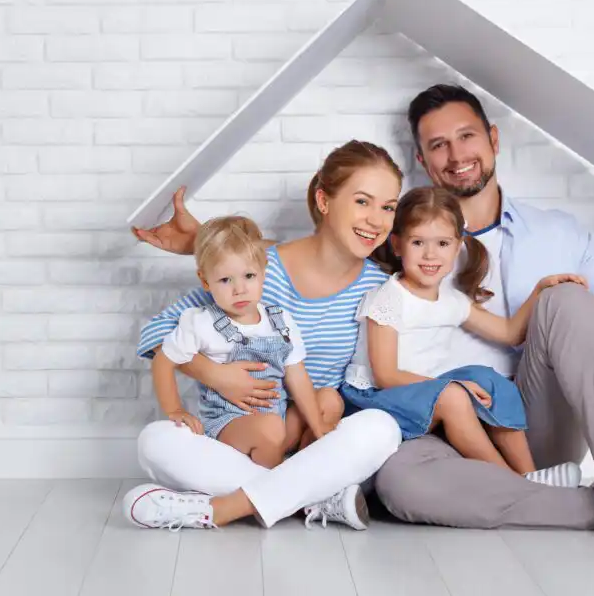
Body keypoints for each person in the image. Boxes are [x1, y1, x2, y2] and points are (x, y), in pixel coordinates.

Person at [372, 84, 594, 554]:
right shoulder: (409, 244)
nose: (456, 155)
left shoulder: (556, 232)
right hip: (443, 430)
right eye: (438, 145)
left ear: (493, 139)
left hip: (531, 425)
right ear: (423, 160)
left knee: (564, 297)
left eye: (467, 136)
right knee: (398, 483)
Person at [123, 140, 405, 532]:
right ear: (324, 201)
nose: (376, 220)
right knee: (155, 441)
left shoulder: (380, 289)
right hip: (245, 433)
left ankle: (221, 508)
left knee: (381, 428)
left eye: (388, 207)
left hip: (312, 438)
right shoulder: (259, 268)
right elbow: (157, 334)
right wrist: (216, 375)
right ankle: (310, 498)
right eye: (362, 201)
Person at [342, 186, 584, 487]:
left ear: (458, 247)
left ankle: (530, 473)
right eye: (418, 242)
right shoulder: (389, 298)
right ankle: (517, 484)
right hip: (373, 397)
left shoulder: (451, 299)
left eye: (442, 243)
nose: (430, 255)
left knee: (488, 379)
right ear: (397, 245)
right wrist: (450, 385)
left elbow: (509, 334)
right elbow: (385, 375)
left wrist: (539, 291)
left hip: (424, 391)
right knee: (455, 396)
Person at [151, 215, 335, 469]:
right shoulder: (201, 323)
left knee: (328, 400)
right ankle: (270, 492)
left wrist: (317, 427)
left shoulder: (280, 320)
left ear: (263, 272)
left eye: (248, 275)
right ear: (205, 281)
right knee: (269, 427)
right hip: (231, 425)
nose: (239, 289)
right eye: (225, 280)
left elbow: (297, 376)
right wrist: (175, 410)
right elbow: (163, 360)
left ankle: (299, 473)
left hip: (277, 420)